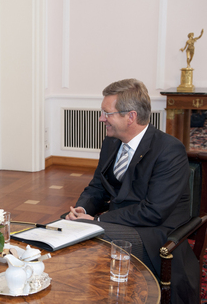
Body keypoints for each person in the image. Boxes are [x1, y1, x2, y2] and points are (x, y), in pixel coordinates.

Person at [65, 79, 198, 304]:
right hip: (119, 220)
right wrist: (82, 208)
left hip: (155, 232)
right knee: (64, 226)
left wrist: (98, 219)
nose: (101, 119)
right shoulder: (111, 142)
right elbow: (98, 186)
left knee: (85, 235)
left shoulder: (169, 150)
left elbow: (154, 211)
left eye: (107, 113)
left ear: (131, 116)